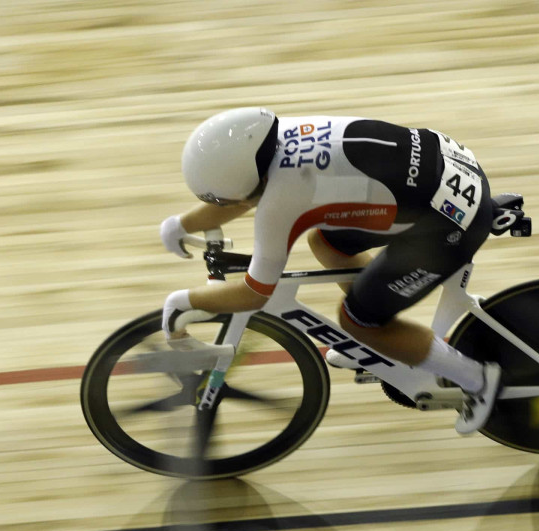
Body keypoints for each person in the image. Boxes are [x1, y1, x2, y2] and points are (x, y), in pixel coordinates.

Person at [159, 107, 502, 434]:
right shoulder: (275, 135)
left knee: (357, 321)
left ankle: (477, 380)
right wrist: (182, 223)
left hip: (449, 225)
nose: (221, 205)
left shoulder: (282, 200)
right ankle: (387, 337)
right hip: (449, 166)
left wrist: (183, 303)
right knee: (326, 243)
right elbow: (243, 194)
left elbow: (254, 293)